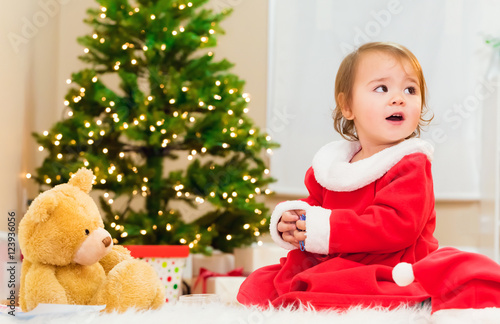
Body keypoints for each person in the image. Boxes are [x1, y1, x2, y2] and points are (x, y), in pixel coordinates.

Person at [237, 42, 500, 317]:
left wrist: (327, 229)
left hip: (391, 264)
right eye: (381, 88)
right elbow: (314, 205)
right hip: (338, 258)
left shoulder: (410, 162)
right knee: (262, 283)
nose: (399, 98)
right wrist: (293, 222)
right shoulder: (333, 165)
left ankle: (410, 300)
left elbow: (396, 225)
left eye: (410, 90)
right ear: (347, 106)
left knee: (332, 285)